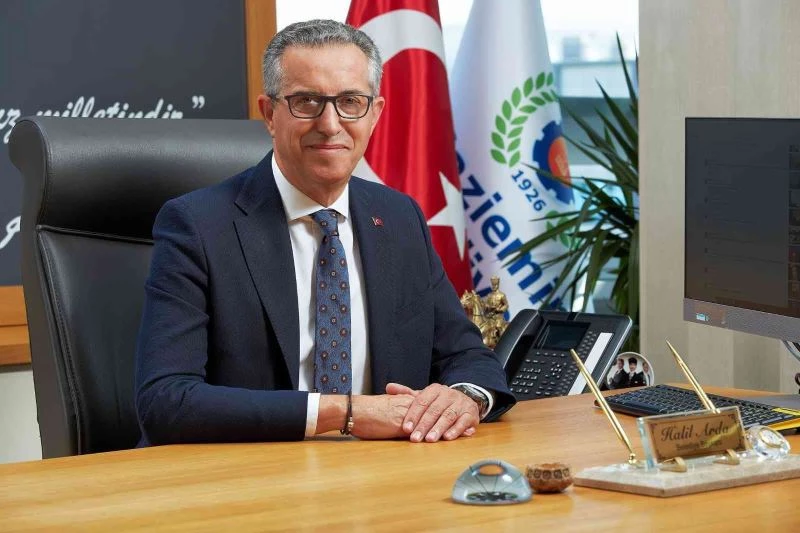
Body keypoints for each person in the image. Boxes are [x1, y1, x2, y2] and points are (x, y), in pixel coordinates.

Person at [134, 19, 515, 446]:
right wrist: (344, 412)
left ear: (375, 114)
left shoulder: (400, 217)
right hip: (248, 471)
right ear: (269, 114)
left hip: (385, 471)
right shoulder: (197, 225)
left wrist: (465, 397)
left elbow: (468, 356)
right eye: (307, 101)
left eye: (351, 101)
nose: (331, 124)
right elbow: (165, 400)